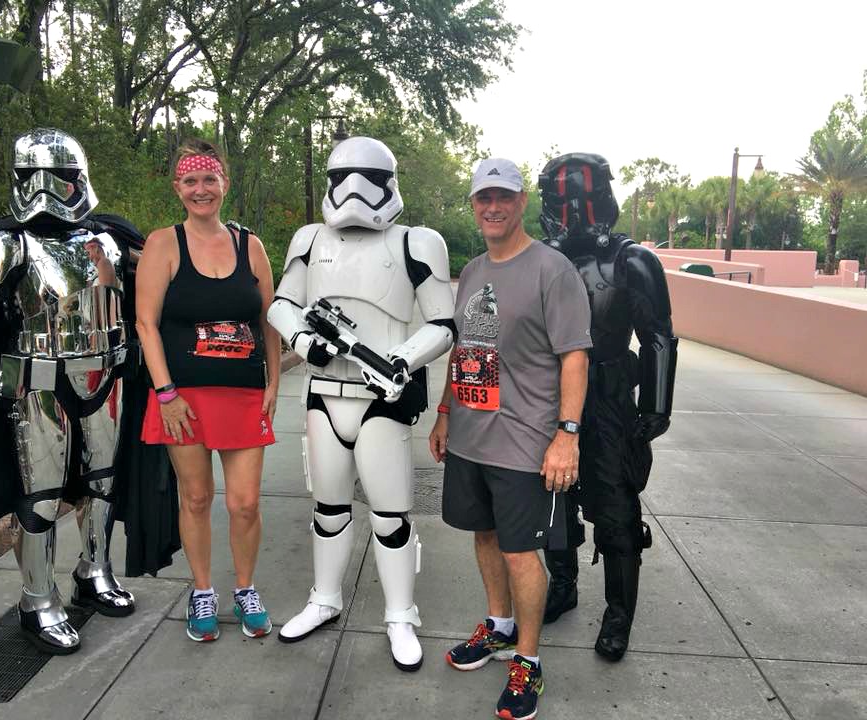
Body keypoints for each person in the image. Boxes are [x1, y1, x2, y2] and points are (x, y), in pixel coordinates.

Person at [0, 128, 140, 653]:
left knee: (103, 482)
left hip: (106, 374)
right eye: (44, 177)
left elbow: (158, 288)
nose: (58, 187)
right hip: (37, 382)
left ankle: (94, 570)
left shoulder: (110, 239)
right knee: (42, 496)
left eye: (69, 176)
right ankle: (37, 599)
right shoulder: (6, 244)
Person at [267, 136, 455, 671]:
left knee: (390, 515)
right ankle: (324, 598)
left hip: (381, 396)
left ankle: (401, 613)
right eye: (342, 177)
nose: (353, 190)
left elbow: (442, 323)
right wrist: (304, 342)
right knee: (328, 508)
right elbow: (283, 303)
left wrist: (403, 359)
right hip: (325, 395)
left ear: (389, 184)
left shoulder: (417, 242)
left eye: (368, 178)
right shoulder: (309, 238)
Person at [429, 158, 591, 720]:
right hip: (472, 436)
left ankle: (528, 660)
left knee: (523, 552)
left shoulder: (553, 269)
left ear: (522, 202)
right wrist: (446, 411)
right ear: (473, 206)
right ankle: (498, 628)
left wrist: (566, 435)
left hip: (526, 440)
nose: (492, 207)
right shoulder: (473, 270)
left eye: (503, 197)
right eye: (483, 199)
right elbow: (466, 347)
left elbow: (575, 356)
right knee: (485, 535)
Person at [136, 139, 281, 642]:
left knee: (245, 503)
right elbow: (146, 324)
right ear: (178, 188)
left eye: (209, 179)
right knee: (196, 498)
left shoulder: (251, 245)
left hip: (243, 393)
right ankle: (202, 590)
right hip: (185, 398)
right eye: (190, 180)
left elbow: (270, 321)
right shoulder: (163, 244)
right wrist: (166, 393)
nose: (201, 189)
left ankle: (245, 588)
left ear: (225, 183)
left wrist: (273, 382)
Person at [537, 152, 677, 662]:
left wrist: (656, 406)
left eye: (583, 197)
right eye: (564, 197)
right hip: (547, 398)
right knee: (553, 503)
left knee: (616, 513)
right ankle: (562, 585)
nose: (574, 209)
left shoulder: (632, 261)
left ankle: (619, 613)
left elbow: (658, 334)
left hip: (612, 398)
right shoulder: (538, 258)